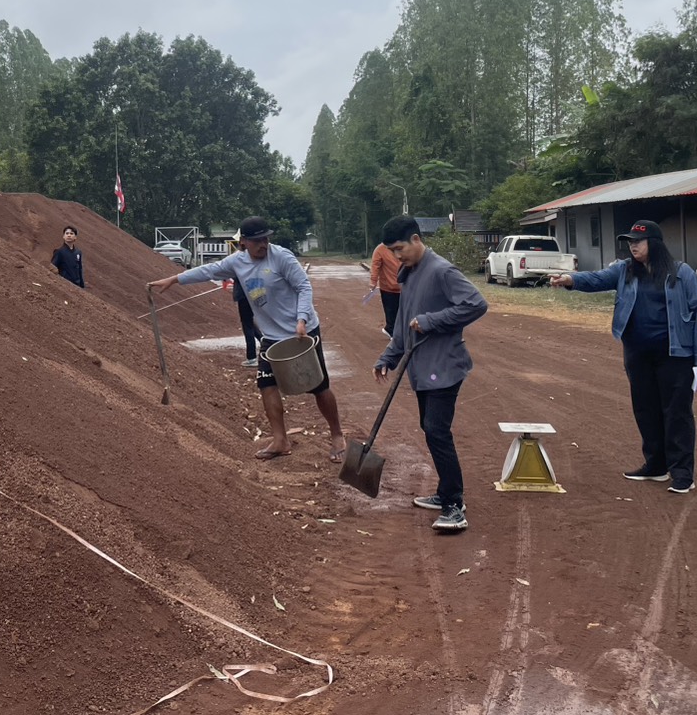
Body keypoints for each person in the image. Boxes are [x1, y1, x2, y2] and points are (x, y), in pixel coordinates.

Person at [149, 215, 346, 462]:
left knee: (318, 385)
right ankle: (280, 440)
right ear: (244, 242)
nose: (263, 244)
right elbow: (208, 270)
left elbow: (304, 287)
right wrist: (175, 279)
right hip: (272, 337)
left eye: (265, 239)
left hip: (302, 331)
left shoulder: (282, 257)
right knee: (266, 384)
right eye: (256, 241)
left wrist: (302, 319)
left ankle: (337, 435)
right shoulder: (237, 262)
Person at [550, 219, 697, 494]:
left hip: (674, 354)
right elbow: (598, 279)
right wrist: (571, 280)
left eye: (638, 241)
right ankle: (656, 465)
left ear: (655, 243)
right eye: (630, 241)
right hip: (638, 353)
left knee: (677, 413)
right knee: (645, 409)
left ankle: (682, 473)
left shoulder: (680, 273)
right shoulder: (625, 270)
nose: (633, 245)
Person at [374, 215, 488, 534]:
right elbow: (402, 323)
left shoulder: (441, 270)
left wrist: (432, 320)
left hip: (445, 365)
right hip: (422, 367)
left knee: (437, 430)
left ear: (416, 239)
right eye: (392, 252)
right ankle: (445, 493)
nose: (397, 256)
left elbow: (476, 305)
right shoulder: (407, 272)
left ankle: (454, 505)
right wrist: (388, 357)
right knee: (430, 428)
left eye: (400, 249)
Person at [228, 232, 261, 368]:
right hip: (253, 293)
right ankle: (265, 342)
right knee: (250, 324)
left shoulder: (240, 258)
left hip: (244, 295)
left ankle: (252, 357)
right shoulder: (251, 257)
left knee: (247, 325)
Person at [369, 240, 402, 338]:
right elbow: (375, 266)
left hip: (403, 286)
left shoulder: (402, 246)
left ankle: (394, 331)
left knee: (402, 311)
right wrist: (373, 281)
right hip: (388, 287)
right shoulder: (380, 249)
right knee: (391, 311)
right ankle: (391, 331)